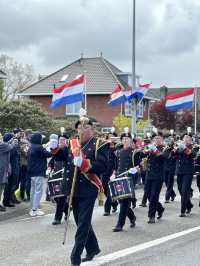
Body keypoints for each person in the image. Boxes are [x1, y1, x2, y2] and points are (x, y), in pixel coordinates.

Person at [68, 118, 109, 266]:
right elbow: (68, 167)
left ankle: (75, 257)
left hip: (89, 188)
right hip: (75, 190)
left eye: (86, 127)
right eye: (80, 128)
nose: (82, 130)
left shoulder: (99, 144)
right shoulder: (73, 144)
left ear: (92, 129)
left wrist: (85, 164)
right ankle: (93, 248)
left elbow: (103, 166)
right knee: (80, 221)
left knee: (83, 223)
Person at [112, 132, 137, 232]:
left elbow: (141, 165)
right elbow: (115, 165)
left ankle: (120, 225)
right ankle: (132, 217)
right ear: (121, 141)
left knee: (125, 201)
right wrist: (113, 174)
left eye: (127, 138)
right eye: (124, 139)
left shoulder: (135, 152)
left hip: (129, 178)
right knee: (120, 201)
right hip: (119, 178)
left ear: (131, 140)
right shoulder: (118, 152)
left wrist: (136, 169)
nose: (125, 140)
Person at [27, 132, 52, 217]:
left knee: (33, 190)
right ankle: (34, 209)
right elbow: (48, 154)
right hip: (38, 171)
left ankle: (33, 208)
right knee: (38, 191)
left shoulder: (31, 146)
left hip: (32, 172)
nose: (41, 139)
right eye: (41, 138)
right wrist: (49, 147)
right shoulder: (39, 147)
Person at [145, 133, 165, 224]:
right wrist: (145, 151)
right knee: (148, 195)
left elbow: (163, 158)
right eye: (155, 138)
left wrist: (155, 150)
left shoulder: (165, 148)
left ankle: (151, 216)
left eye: (158, 138)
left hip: (158, 175)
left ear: (162, 139)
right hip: (149, 174)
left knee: (154, 196)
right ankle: (160, 208)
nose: (156, 140)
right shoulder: (150, 148)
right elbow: (142, 156)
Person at [50, 135, 69, 225]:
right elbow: (52, 160)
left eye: (62, 140)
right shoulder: (57, 149)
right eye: (59, 140)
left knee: (61, 197)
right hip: (56, 176)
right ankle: (67, 209)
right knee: (56, 197)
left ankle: (57, 218)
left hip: (65, 176)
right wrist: (49, 167)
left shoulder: (67, 149)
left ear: (66, 141)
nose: (60, 141)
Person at [176, 134, 195, 217]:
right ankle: (189, 204)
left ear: (190, 140)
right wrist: (174, 149)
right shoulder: (180, 147)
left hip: (188, 172)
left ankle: (182, 211)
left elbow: (191, 153)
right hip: (180, 171)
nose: (186, 139)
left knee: (184, 190)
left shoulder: (193, 147)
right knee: (180, 189)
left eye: (188, 138)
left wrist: (183, 147)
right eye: (184, 138)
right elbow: (172, 156)